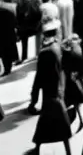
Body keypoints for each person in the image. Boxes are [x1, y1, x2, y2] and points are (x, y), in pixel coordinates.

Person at [29, 19, 72, 155]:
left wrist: (34, 98)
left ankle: (38, 148)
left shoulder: (45, 52)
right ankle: (65, 150)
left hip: (50, 92)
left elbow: (39, 77)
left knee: (50, 122)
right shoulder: (58, 46)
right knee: (56, 122)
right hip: (59, 88)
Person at [61, 36, 83, 130]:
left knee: (71, 103)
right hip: (76, 82)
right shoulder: (76, 54)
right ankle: (79, 120)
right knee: (76, 103)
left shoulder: (65, 55)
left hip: (68, 82)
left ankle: (76, 120)